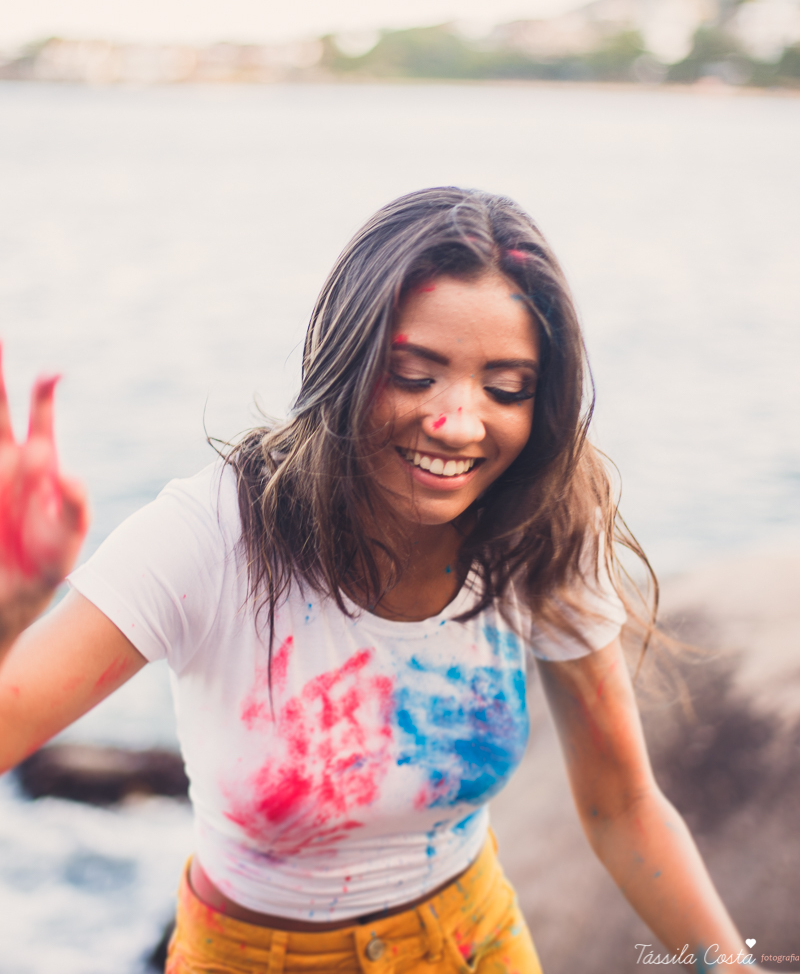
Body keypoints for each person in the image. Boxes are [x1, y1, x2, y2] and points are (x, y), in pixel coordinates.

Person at [0, 188, 760, 973]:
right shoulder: (211, 535)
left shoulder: (540, 529)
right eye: (413, 374)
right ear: (346, 362)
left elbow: (623, 806)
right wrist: (12, 609)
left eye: (507, 388)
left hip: (473, 943)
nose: (459, 421)